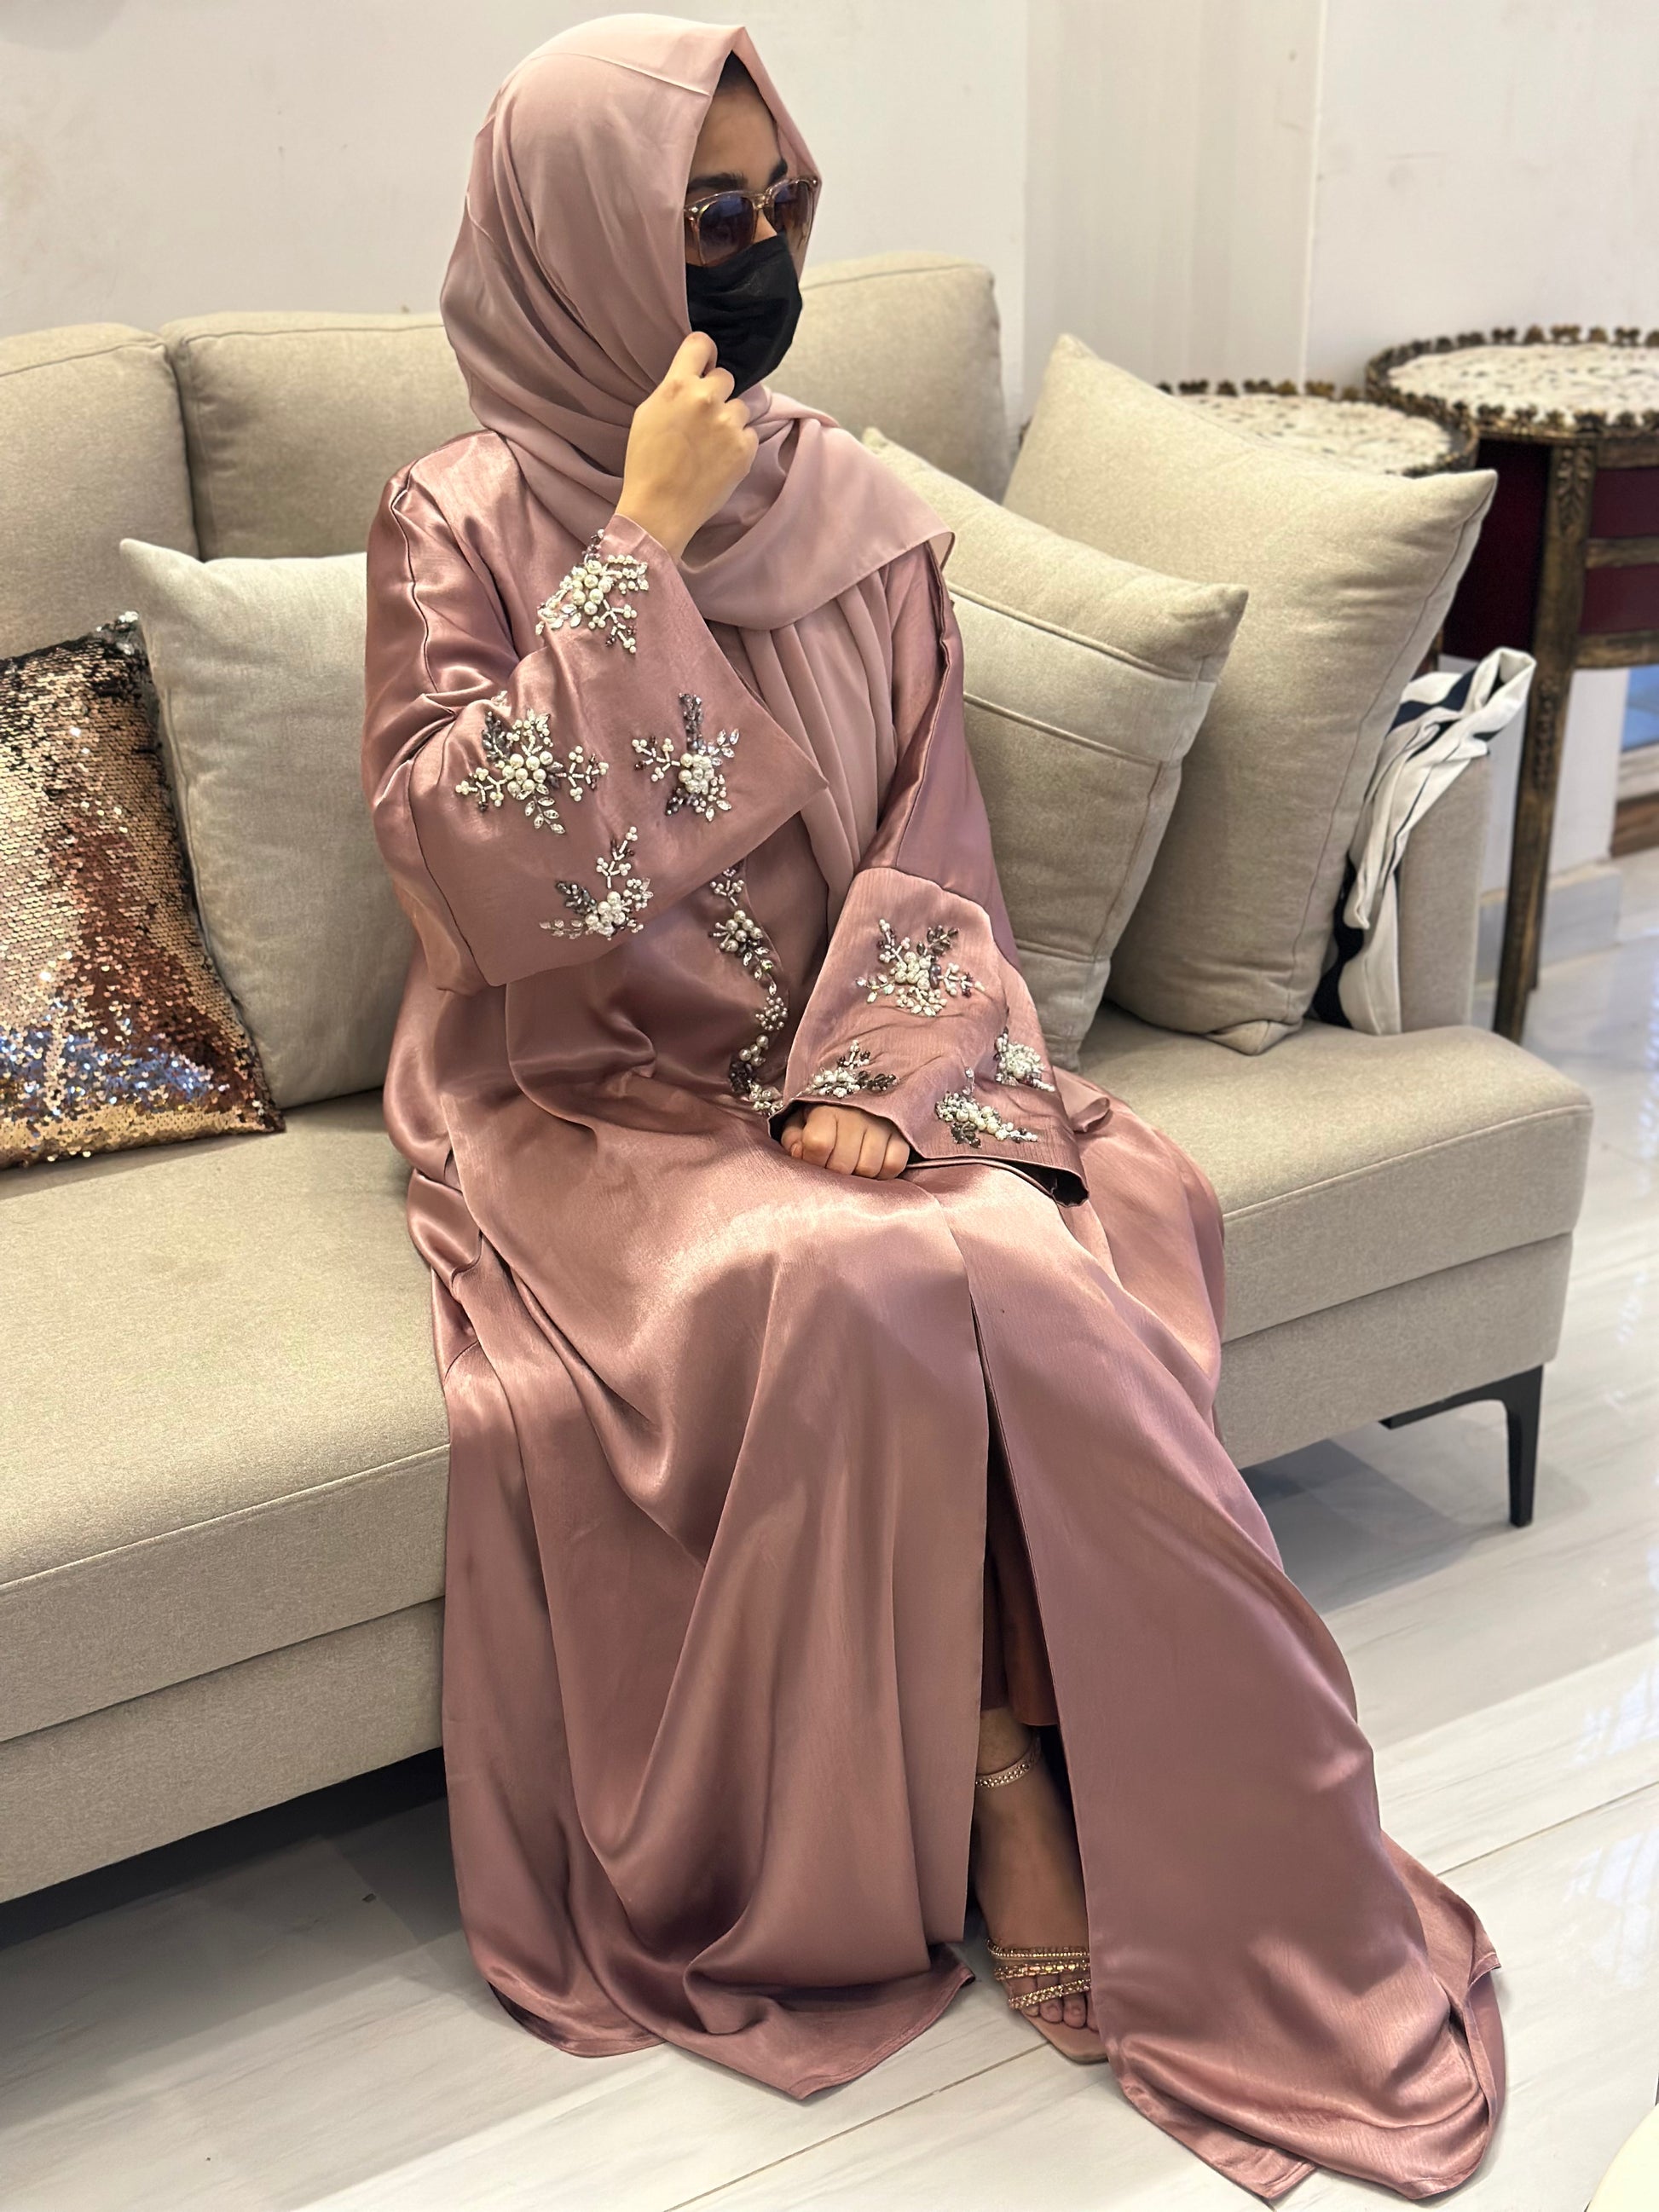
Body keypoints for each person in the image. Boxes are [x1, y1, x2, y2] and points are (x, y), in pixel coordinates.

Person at [361, 16, 1504, 2199]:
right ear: (580, 233)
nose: (758, 256)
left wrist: (887, 1067)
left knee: (1041, 1242)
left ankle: (1203, 1815)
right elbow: (473, 879)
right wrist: (636, 543)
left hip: (844, 1060)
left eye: (778, 207)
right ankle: (994, 1781)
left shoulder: (861, 501)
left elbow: (929, 834)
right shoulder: (460, 520)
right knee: (857, 1289)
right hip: (590, 1092)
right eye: (705, 215)